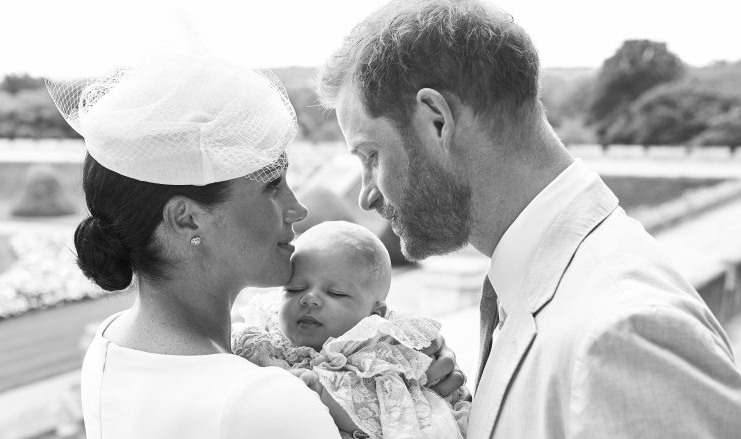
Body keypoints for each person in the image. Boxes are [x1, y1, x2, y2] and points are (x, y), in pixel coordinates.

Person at [317, 1, 741, 438]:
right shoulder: (547, 285)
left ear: (436, 121)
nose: (366, 195)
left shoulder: (622, 334)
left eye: (371, 156)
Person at [46, 56, 461, 439]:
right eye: (272, 186)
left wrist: (391, 374)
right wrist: (413, 415)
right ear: (187, 218)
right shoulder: (265, 400)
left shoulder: (112, 342)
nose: (297, 209)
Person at [233, 221, 470, 438]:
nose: (309, 299)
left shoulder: (376, 358)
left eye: (335, 293)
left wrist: (319, 392)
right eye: (294, 289)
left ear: (374, 316)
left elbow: (383, 413)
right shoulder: (263, 338)